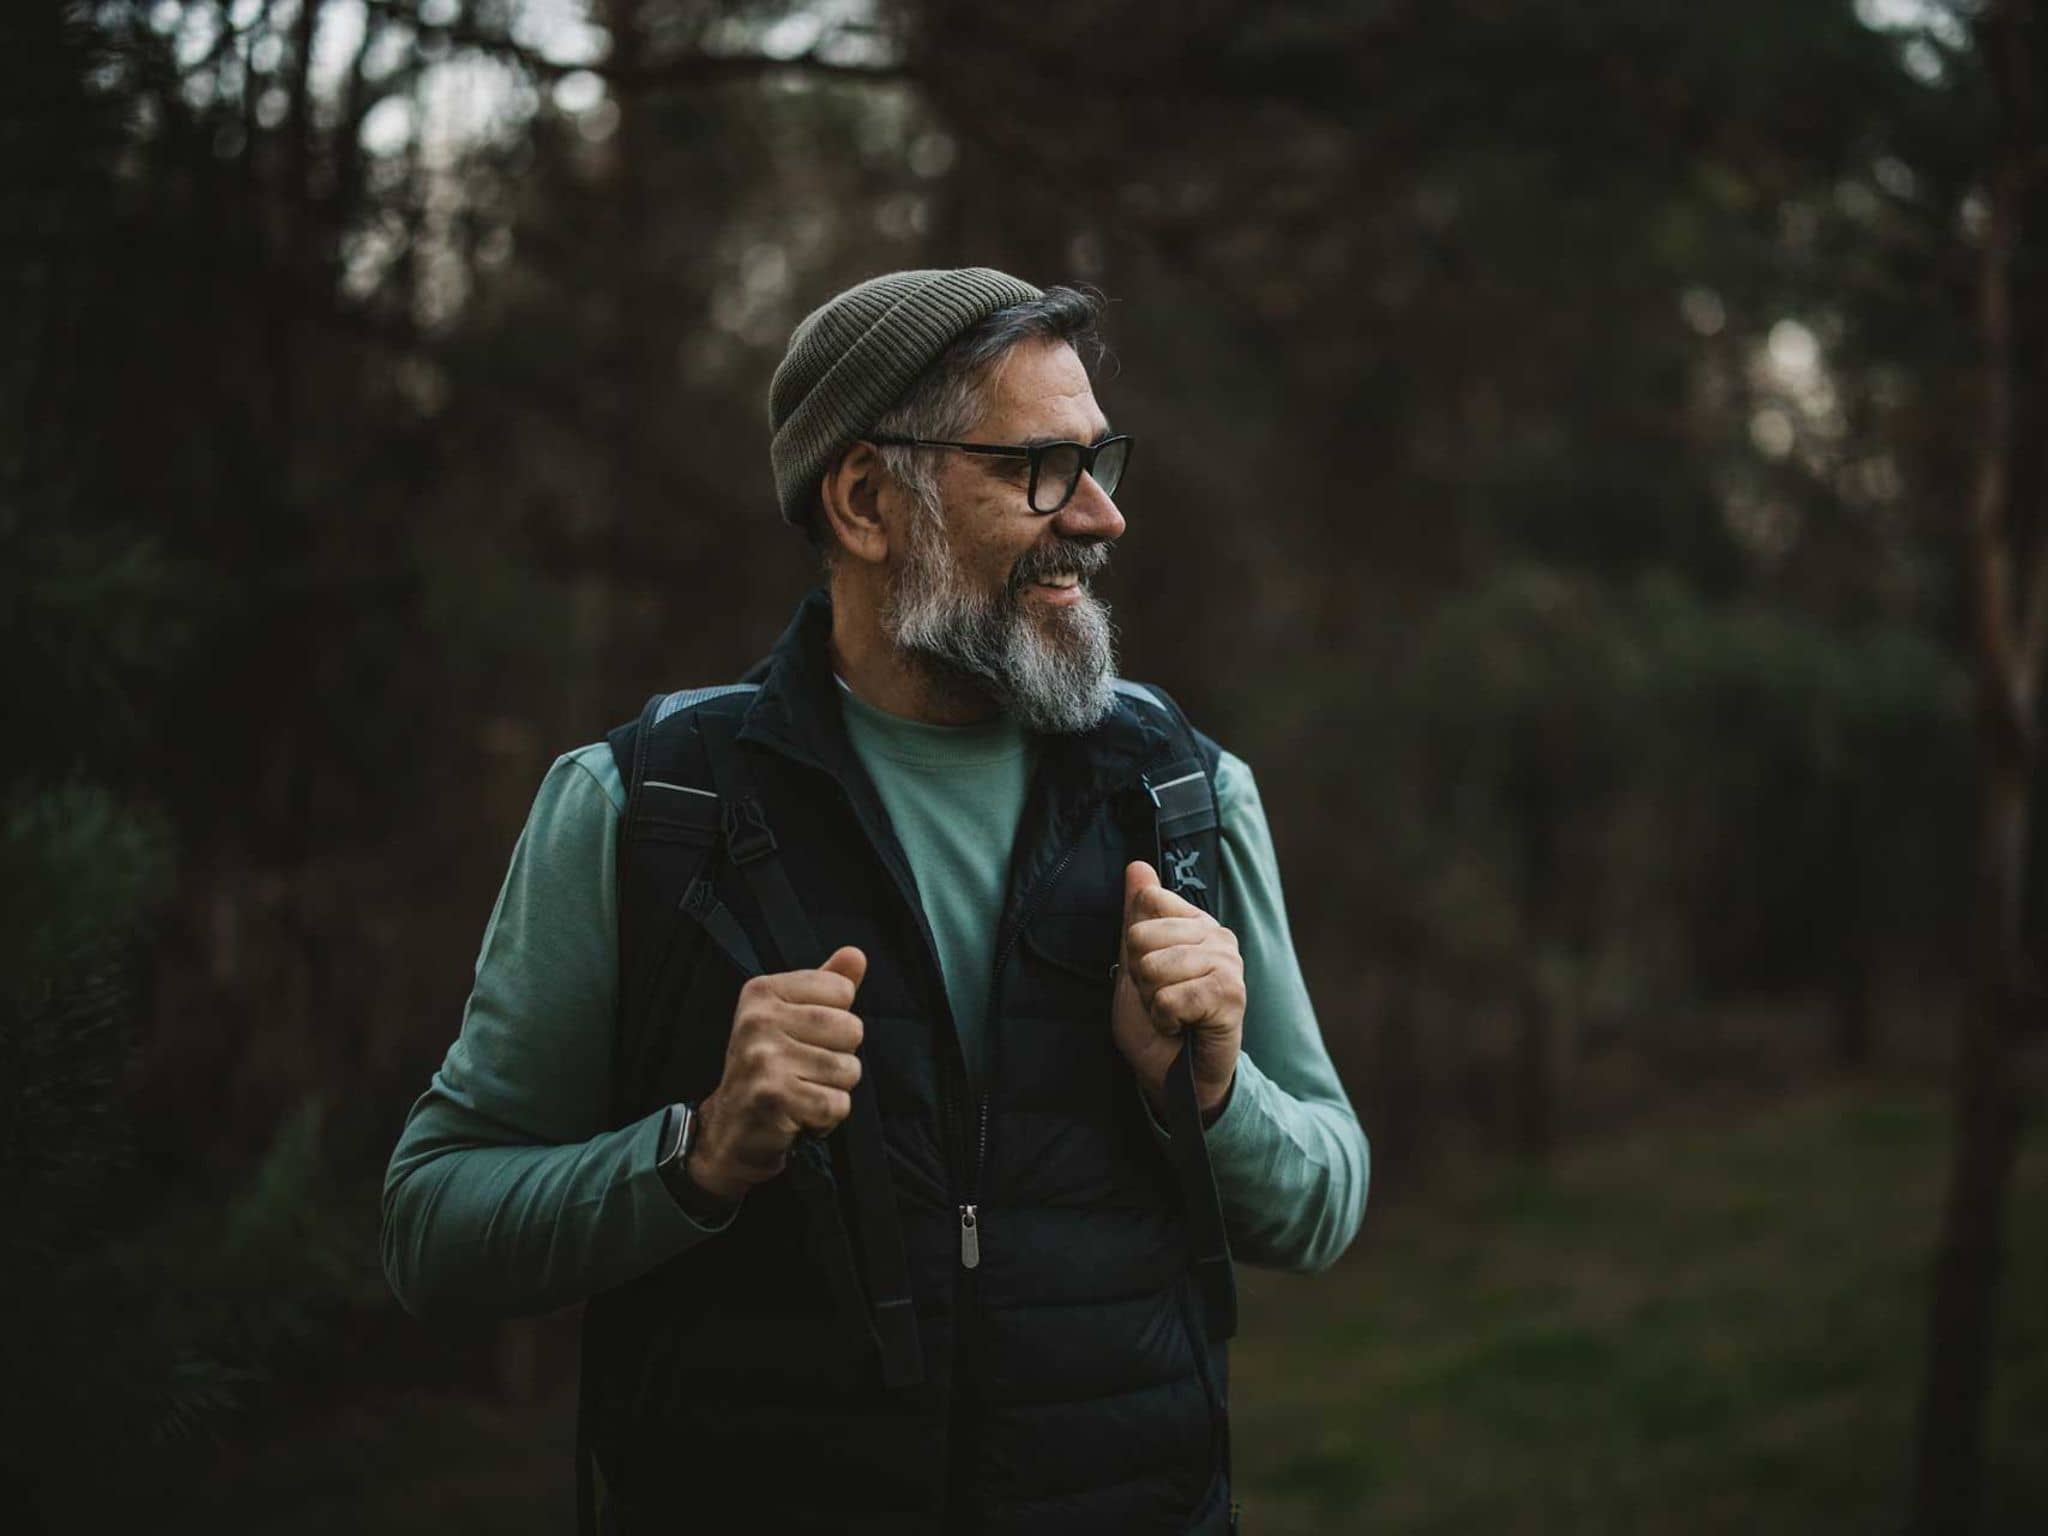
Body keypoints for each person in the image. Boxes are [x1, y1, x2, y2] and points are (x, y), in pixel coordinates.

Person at [381, 268, 1370, 1535]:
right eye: (1040, 469)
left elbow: (1323, 1203)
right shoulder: (645, 804)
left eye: (1098, 461)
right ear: (863, 501)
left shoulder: (1183, 792)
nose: (1103, 516)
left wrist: (1215, 1093)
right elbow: (431, 1227)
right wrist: (697, 1155)